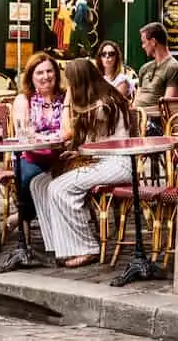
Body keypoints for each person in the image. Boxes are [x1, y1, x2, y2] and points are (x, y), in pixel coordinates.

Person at [29, 58, 133, 268]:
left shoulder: (104, 104)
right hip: (96, 160)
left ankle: (86, 247)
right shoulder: (93, 101)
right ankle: (58, 246)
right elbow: (92, 139)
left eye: (70, 82)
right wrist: (76, 152)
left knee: (60, 187)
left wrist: (67, 99)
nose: (68, 86)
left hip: (116, 163)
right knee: (38, 183)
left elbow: (66, 130)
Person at [8, 52, 66, 229]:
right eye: (39, 73)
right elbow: (24, 134)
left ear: (56, 73)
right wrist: (53, 136)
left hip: (61, 154)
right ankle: (28, 216)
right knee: (28, 178)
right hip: (32, 155)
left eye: (49, 71)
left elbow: (71, 129)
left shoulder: (65, 97)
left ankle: (23, 215)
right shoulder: (24, 100)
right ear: (31, 77)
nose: (46, 77)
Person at [133, 22, 178, 131]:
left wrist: (141, 112)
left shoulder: (173, 68)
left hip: (155, 124)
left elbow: (168, 108)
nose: (142, 46)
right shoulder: (144, 68)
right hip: (137, 119)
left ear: (153, 42)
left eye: (144, 42)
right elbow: (138, 98)